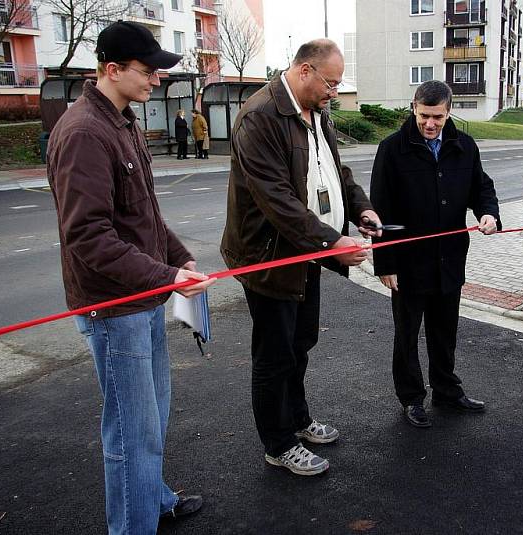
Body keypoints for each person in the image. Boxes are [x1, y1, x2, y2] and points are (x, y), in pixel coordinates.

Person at [46, 20, 215, 534]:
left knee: (151, 419)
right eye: (149, 71)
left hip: (143, 299)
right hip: (113, 309)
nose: (157, 81)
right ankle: (132, 525)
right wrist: (166, 275)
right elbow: (89, 237)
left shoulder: (121, 121)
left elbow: (144, 215)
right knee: (130, 431)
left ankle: (153, 498)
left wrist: (179, 260)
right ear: (111, 69)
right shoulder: (82, 133)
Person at [220, 39, 382, 476]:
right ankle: (278, 443)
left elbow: (336, 170)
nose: (335, 91)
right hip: (270, 258)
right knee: (275, 355)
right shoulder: (260, 117)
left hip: (307, 253)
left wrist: (360, 207)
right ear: (305, 70)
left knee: (299, 344)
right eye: (330, 82)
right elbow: (276, 199)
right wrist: (333, 243)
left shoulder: (317, 114)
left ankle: (298, 419)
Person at [370, 80, 501, 428]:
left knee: (445, 331)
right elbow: (380, 209)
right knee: (407, 335)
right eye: (425, 116)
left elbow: (481, 188)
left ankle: (446, 389)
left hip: (449, 259)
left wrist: (489, 213)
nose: (430, 124)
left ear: (448, 112)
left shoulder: (464, 146)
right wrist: (384, 262)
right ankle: (412, 398)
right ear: (414, 107)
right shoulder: (392, 149)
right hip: (409, 264)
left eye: (438, 118)